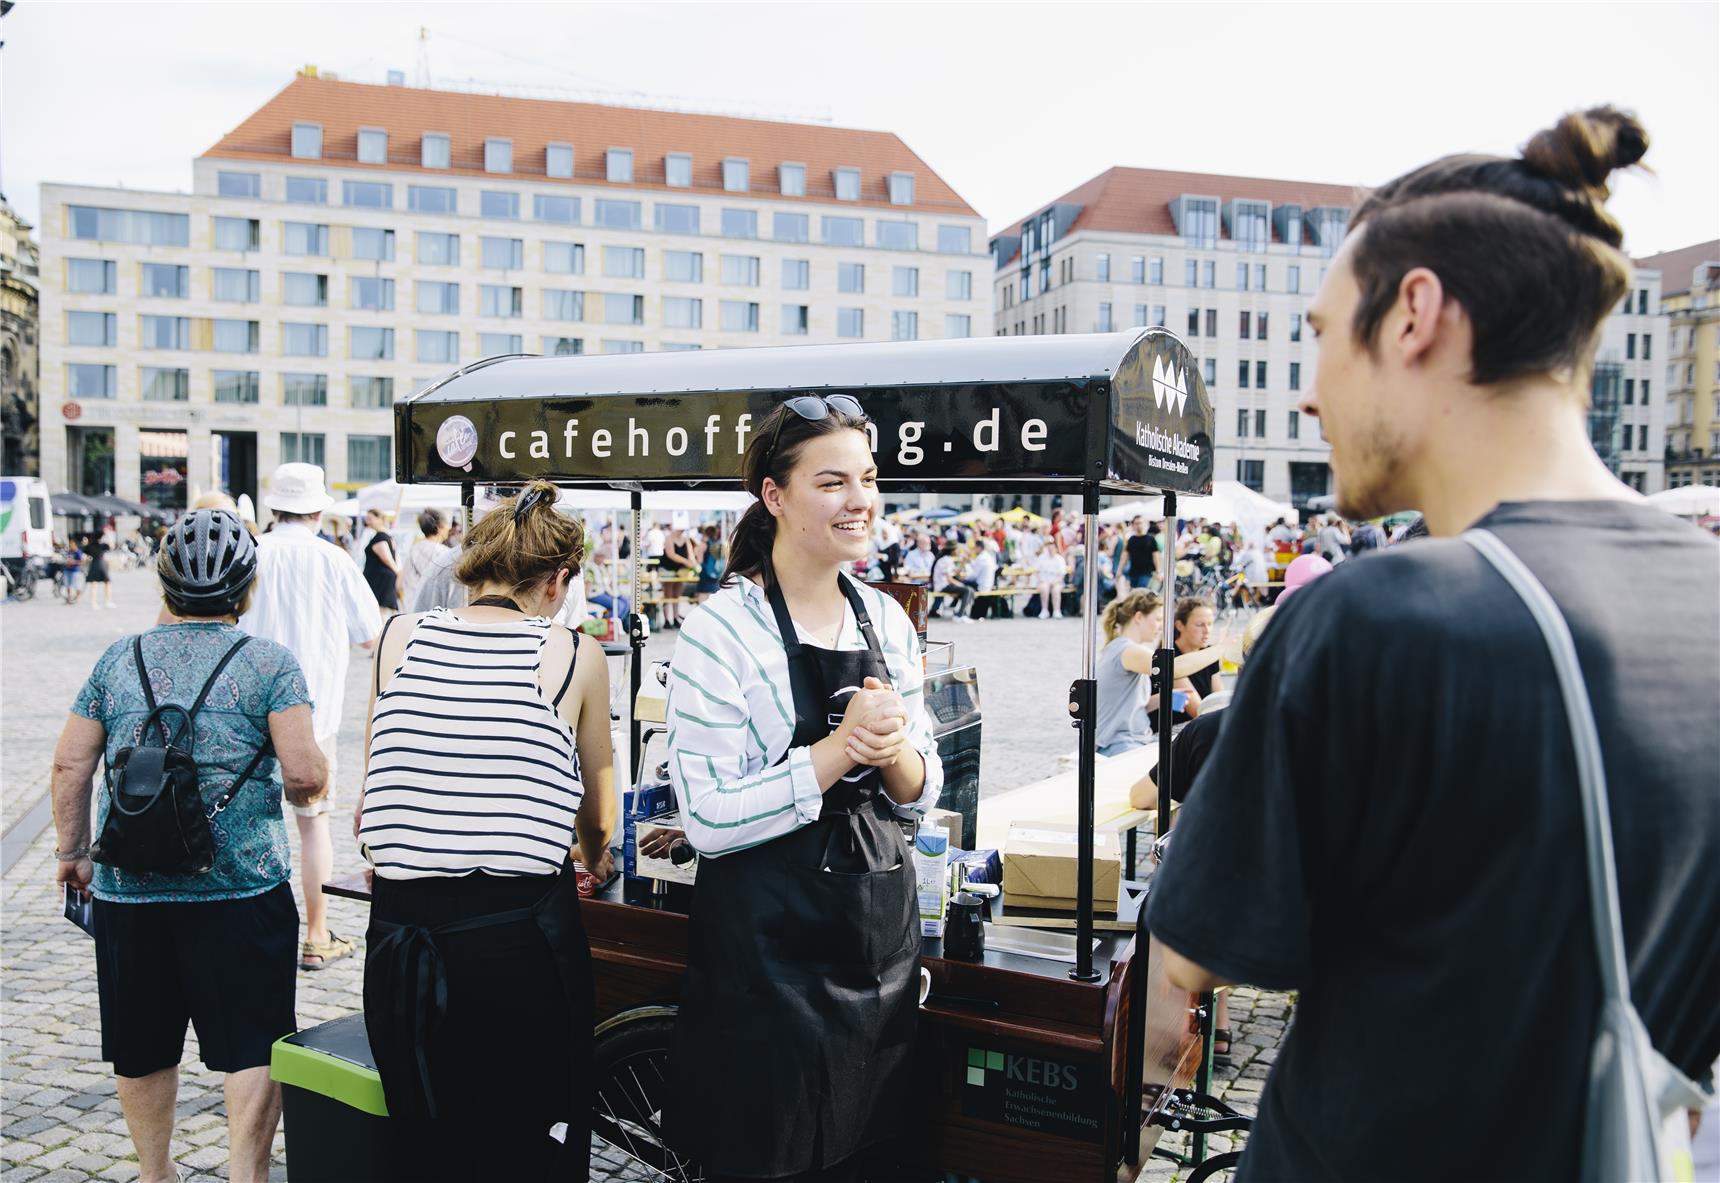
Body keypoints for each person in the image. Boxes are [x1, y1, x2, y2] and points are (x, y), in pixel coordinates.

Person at [1148, 107, 1720, 1180]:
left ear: (1414, 314)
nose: (1309, 391)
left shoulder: (1375, 618)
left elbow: (1188, 963)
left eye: (1320, 335)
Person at [663, 395, 943, 1182]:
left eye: (868, 478)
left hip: (877, 955)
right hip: (765, 968)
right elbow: (710, 816)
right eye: (832, 481)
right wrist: (835, 750)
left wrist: (892, 754)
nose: (860, 500)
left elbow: (921, 790)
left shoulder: (886, 621)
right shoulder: (723, 631)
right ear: (775, 496)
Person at [51, 509, 327, 1183]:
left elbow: (68, 765)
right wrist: (302, 795)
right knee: (251, 1042)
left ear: (164, 584)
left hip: (130, 890)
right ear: (248, 589)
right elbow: (303, 774)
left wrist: (73, 851)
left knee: (141, 1043)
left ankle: (155, 1173)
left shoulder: (119, 657)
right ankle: (244, 1174)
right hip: (242, 888)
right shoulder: (269, 663)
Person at [355, 481, 615, 1182]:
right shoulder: (572, 654)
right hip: (516, 942)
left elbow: (378, 779)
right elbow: (600, 812)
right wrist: (597, 857)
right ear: (557, 581)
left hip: (401, 945)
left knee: (425, 1141)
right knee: (521, 1145)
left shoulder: (399, 637)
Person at [241, 462, 383, 971]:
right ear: (319, 509)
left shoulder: (251, 552)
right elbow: (371, 634)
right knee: (312, 825)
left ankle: (243, 930)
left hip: (244, 713)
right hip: (313, 717)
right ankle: (317, 933)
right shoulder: (334, 559)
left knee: (241, 825)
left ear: (273, 506)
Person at [1094, 590, 1168, 757]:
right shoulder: (1128, 650)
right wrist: (1219, 649)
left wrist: (1164, 698)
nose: (1161, 626)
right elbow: (1171, 669)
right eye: (1158, 619)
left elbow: (1126, 705)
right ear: (1139, 617)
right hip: (1122, 745)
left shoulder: (1117, 647)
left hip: (1127, 741)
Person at [1168, 597, 1221, 722]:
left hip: (1204, 723)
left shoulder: (1208, 653)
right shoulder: (1170, 657)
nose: (1207, 631)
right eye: (1200, 625)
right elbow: (1198, 711)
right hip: (1176, 729)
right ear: (1180, 625)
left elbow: (1219, 699)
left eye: (1210, 624)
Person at [400, 508, 451, 611]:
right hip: (436, 611)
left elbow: (399, 584)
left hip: (412, 608)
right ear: (441, 526)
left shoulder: (413, 549)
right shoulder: (445, 553)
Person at [360, 508, 402, 612]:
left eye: (370, 518)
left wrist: (398, 574)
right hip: (381, 581)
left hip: (380, 583)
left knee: (381, 614)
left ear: (379, 519)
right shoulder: (385, 536)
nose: (367, 521)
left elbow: (388, 560)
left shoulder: (381, 538)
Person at [930, 542, 973, 621]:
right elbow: (949, 579)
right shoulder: (946, 560)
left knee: (970, 590)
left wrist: (963, 563)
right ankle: (959, 615)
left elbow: (956, 573)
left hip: (944, 585)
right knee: (968, 590)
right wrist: (961, 585)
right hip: (942, 586)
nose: (958, 552)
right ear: (952, 550)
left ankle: (962, 614)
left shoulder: (947, 559)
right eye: (957, 550)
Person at [1034, 538, 1068, 619]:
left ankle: (1057, 610)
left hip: (1057, 581)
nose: (1050, 550)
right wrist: (1042, 580)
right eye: (1049, 548)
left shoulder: (1060, 559)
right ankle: (1044, 610)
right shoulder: (1041, 558)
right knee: (1044, 588)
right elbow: (1037, 572)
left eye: (1052, 548)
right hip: (1044, 580)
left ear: (1056, 549)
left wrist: (1055, 581)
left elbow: (1062, 574)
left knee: (1056, 590)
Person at [1122, 515, 1157, 591]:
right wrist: (1119, 570)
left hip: (1146, 573)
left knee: (1141, 593)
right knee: (1134, 594)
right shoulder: (1131, 539)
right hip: (1133, 572)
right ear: (1133, 525)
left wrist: (1159, 571)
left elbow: (1156, 556)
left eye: (1140, 523)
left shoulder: (1151, 539)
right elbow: (1125, 555)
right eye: (1136, 523)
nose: (1139, 525)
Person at [84, 526, 114, 609]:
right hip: (101, 564)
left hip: (93, 564)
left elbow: (85, 552)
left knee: (94, 585)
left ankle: (93, 603)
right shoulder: (102, 545)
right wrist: (108, 535)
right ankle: (107, 601)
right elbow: (112, 546)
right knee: (107, 583)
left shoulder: (90, 545)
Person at [62, 536, 85, 604]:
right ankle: (69, 597)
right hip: (68, 570)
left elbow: (82, 561)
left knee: (77, 585)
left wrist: (74, 562)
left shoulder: (77, 552)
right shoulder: (69, 551)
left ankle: (77, 598)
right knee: (67, 585)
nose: (70, 546)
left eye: (71, 544)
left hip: (75, 570)